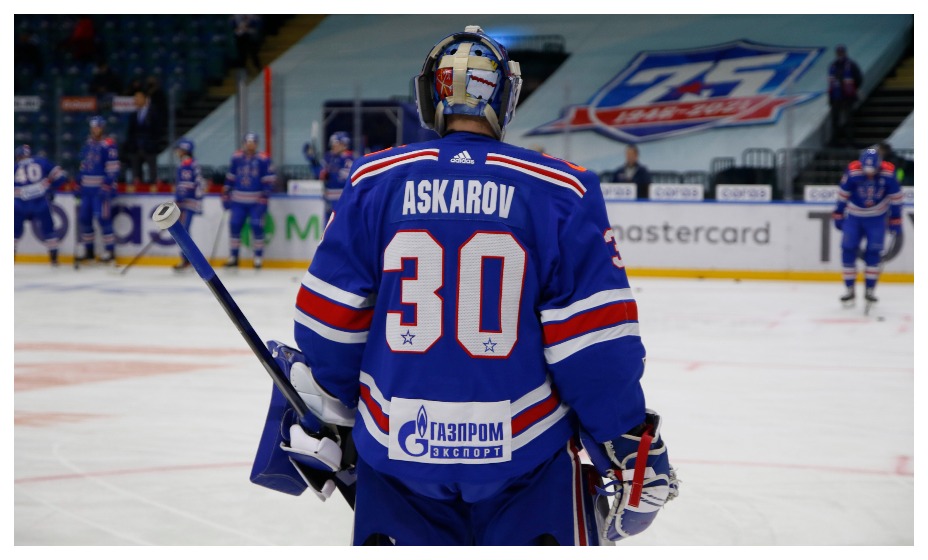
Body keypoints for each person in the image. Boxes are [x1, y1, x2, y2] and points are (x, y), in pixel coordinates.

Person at [249, 25, 677, 545]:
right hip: (526, 457)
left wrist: (336, 410)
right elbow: (594, 345)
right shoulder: (562, 189)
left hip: (397, 453)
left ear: (430, 95)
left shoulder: (373, 180)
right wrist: (622, 435)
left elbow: (327, 323)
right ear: (506, 98)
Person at [832, 147, 903, 307]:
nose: (870, 174)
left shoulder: (889, 173)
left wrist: (896, 218)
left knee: (874, 252)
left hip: (877, 218)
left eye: (873, 170)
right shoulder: (853, 171)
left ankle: (870, 289)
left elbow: (896, 197)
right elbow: (843, 194)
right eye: (867, 170)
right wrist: (838, 212)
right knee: (848, 248)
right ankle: (849, 289)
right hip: (854, 218)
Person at [222, 132, 275, 269]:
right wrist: (226, 193)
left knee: (257, 226)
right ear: (244, 143)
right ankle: (234, 257)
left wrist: (265, 197)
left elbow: (269, 179)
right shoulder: (236, 157)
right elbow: (231, 176)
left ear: (256, 144)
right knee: (234, 225)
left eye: (253, 142)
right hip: (238, 200)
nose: (250, 145)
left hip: (256, 201)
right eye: (248, 142)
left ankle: (258, 258)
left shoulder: (263, 159)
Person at [76, 115, 120, 263]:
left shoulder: (109, 144)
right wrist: (78, 182)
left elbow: (113, 168)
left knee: (103, 218)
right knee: (84, 218)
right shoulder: (88, 143)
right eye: (94, 127)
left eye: (98, 127)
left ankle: (110, 251)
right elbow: (83, 165)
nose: (96, 130)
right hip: (86, 190)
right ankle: (89, 251)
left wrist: (107, 185)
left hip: (100, 189)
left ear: (103, 128)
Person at [14, 145, 67, 266]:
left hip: (19, 204)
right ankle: (54, 259)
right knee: (49, 230)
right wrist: (51, 188)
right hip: (40, 202)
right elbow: (61, 176)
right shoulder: (41, 161)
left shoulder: (15, 167)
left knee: (13, 233)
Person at [171, 138, 204, 271]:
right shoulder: (185, 164)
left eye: (179, 149)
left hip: (189, 202)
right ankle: (186, 259)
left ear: (185, 150)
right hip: (184, 202)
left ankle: (188, 260)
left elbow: (192, 185)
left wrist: (181, 197)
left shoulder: (190, 164)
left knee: (184, 230)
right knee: (183, 230)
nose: (177, 151)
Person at [124, 89, 164, 185]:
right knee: (136, 175)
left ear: (145, 99)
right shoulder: (134, 114)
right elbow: (131, 132)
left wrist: (153, 143)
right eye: (135, 98)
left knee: (152, 173)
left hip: (150, 147)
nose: (136, 100)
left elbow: (158, 129)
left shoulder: (153, 112)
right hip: (136, 147)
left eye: (138, 98)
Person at [827, 44, 863, 148]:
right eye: (838, 52)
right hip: (836, 97)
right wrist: (831, 97)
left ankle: (850, 141)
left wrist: (852, 90)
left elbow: (859, 78)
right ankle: (835, 141)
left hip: (848, 97)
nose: (840, 54)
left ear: (845, 52)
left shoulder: (851, 64)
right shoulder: (833, 65)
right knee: (835, 119)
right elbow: (830, 82)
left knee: (848, 119)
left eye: (841, 52)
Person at [319, 131, 354, 223]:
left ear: (344, 144)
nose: (333, 146)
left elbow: (342, 180)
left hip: (341, 199)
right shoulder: (329, 157)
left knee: (340, 224)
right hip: (328, 198)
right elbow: (320, 174)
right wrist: (313, 162)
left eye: (336, 143)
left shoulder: (349, 159)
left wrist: (331, 173)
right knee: (328, 226)